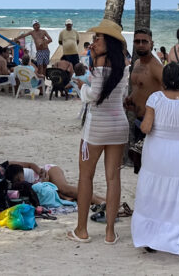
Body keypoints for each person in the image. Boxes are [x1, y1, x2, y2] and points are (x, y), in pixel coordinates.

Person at [67, 20, 128, 246]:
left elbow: (94, 95)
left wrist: (81, 86)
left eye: (98, 38)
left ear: (108, 41)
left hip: (96, 127)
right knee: (113, 179)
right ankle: (110, 232)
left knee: (86, 177)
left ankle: (82, 229)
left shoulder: (101, 62)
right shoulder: (123, 64)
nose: (93, 42)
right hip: (118, 125)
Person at [131, 63, 179, 257]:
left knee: (153, 192)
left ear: (164, 80)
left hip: (157, 151)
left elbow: (146, 127)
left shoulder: (155, 98)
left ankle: (151, 238)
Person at [125, 29, 164, 173]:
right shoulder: (136, 64)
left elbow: (170, 92)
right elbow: (139, 89)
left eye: (144, 42)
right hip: (138, 121)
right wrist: (131, 101)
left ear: (151, 43)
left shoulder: (156, 67)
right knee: (140, 169)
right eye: (137, 41)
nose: (140, 45)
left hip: (153, 124)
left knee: (152, 169)